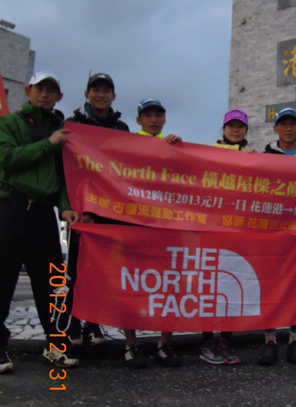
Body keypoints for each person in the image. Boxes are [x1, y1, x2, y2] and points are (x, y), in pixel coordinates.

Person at [0, 72, 79, 373]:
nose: (45, 94)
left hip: (44, 214)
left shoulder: (62, 130)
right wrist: (49, 143)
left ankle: (56, 345)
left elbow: (62, 176)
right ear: (28, 90)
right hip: (10, 207)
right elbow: (7, 160)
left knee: (53, 283)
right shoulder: (8, 123)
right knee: (3, 280)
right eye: (40, 88)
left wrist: (65, 208)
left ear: (59, 97)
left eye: (52, 90)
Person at [64, 73, 129, 347]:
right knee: (76, 269)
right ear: (86, 94)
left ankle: (93, 323)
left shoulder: (122, 128)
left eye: (106, 91)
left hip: (110, 210)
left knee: (103, 269)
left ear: (113, 96)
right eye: (96, 90)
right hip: (81, 210)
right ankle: (71, 324)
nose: (101, 95)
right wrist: (67, 207)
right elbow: (64, 170)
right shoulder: (72, 125)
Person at [122, 98, 183, 369]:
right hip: (134, 225)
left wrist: (181, 151)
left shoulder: (173, 145)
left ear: (165, 118)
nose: (154, 119)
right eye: (147, 115)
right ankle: (131, 345)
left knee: (169, 285)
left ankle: (164, 344)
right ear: (139, 120)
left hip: (165, 227)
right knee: (131, 285)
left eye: (158, 114)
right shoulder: (127, 145)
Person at [199, 109, 253, 366]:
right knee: (209, 286)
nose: (235, 130)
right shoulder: (207, 152)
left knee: (232, 286)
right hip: (211, 230)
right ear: (223, 129)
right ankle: (207, 343)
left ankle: (225, 342)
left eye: (240, 126)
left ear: (245, 131)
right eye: (231, 125)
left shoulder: (252, 158)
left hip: (238, 231)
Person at [259, 108, 296, 367]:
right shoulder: (264, 157)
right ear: (276, 128)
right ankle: (270, 341)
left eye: (293, 123)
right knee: (269, 285)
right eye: (283, 123)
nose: (288, 128)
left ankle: (294, 341)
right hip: (272, 233)